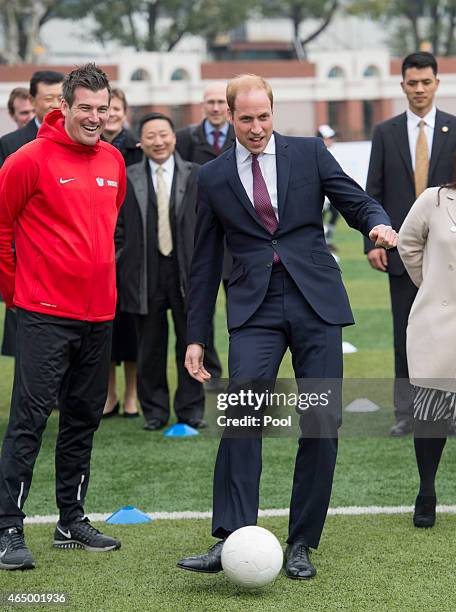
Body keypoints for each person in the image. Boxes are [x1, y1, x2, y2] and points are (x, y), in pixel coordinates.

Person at [177, 74, 397, 579]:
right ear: (229, 116)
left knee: (322, 421)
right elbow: (203, 263)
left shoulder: (309, 152)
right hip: (253, 310)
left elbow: (354, 200)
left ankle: (301, 543)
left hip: (316, 301)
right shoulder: (211, 178)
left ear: (274, 112)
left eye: (264, 116)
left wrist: (376, 224)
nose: (256, 128)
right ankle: (232, 536)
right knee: (241, 415)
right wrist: (195, 336)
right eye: (246, 118)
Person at [0, 63, 126, 571]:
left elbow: (109, 231)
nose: (95, 118)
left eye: (102, 109)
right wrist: (21, 296)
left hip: (100, 315)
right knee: (28, 422)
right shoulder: (28, 159)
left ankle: (70, 519)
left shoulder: (114, 161)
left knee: (83, 418)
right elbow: (1, 232)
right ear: (64, 108)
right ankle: (7, 525)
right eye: (86, 109)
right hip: (43, 316)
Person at [365, 51, 456, 436]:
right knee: (406, 333)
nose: (419, 89)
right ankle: (408, 412)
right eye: (412, 82)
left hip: (448, 256)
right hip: (400, 253)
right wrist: (372, 242)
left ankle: (450, 411)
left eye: (426, 82)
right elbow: (375, 191)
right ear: (402, 85)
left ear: (437, 83)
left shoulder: (455, 128)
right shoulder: (385, 133)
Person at [116, 112, 205, 431]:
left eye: (164, 134)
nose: (159, 141)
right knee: (149, 346)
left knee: (191, 342)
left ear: (174, 137)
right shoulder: (127, 177)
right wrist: (121, 259)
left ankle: (192, 409)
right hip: (143, 273)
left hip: (187, 273)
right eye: (151, 136)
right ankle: (154, 411)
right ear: (141, 142)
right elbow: (117, 226)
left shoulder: (196, 174)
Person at [398, 182, 456, 528]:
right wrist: (430, 284)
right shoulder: (434, 199)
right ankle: (427, 490)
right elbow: (407, 243)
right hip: (439, 320)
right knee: (432, 410)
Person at [176, 82, 236, 392]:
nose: (214, 107)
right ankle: (209, 374)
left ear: (228, 108)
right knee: (202, 310)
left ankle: (242, 375)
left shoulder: (241, 135)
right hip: (203, 236)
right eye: (209, 102)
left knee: (240, 310)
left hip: (237, 241)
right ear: (202, 106)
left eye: (219, 102)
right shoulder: (186, 139)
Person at [0, 71, 65, 359]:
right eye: (48, 98)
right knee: (29, 345)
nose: (54, 104)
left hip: (66, 254)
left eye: (60, 98)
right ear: (32, 99)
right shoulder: (12, 144)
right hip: (28, 258)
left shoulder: (81, 139)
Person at [102, 87, 142, 418]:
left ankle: (131, 394)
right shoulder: (91, 148)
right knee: (104, 327)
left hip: (131, 251)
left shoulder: (138, 150)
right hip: (100, 249)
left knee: (130, 326)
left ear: (125, 112)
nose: (111, 114)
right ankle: (109, 393)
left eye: (117, 109)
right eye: (106, 109)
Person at [0, 70, 64, 165]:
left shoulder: (79, 137)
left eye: (60, 98)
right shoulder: (9, 144)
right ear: (32, 101)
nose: (56, 105)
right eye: (48, 99)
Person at [317, 124, 340, 254]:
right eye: (328, 137)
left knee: (334, 214)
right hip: (320, 196)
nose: (331, 140)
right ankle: (322, 243)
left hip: (329, 196)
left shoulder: (330, 152)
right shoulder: (317, 153)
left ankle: (328, 241)